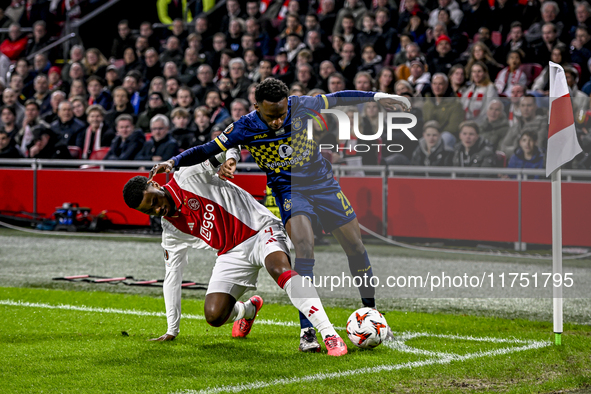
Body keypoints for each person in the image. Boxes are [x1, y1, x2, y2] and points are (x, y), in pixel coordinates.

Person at [148, 78, 408, 352]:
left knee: (355, 248)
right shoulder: (244, 127)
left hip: (322, 183)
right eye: (271, 116)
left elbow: (339, 98)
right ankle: (307, 331)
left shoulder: (302, 105)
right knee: (305, 249)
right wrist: (173, 162)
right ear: (256, 106)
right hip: (289, 190)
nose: (277, 121)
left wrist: (377, 97)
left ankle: (373, 314)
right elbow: (206, 150)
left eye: (282, 114)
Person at [123, 149, 347, 356]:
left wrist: (231, 158)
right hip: (231, 253)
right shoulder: (171, 229)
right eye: (150, 211)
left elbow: (226, 142)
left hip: (261, 229)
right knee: (214, 315)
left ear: (154, 184)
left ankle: (330, 334)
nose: (157, 209)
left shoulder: (186, 177)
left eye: (154, 201)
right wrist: (172, 329)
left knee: (280, 269)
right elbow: (172, 275)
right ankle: (248, 310)